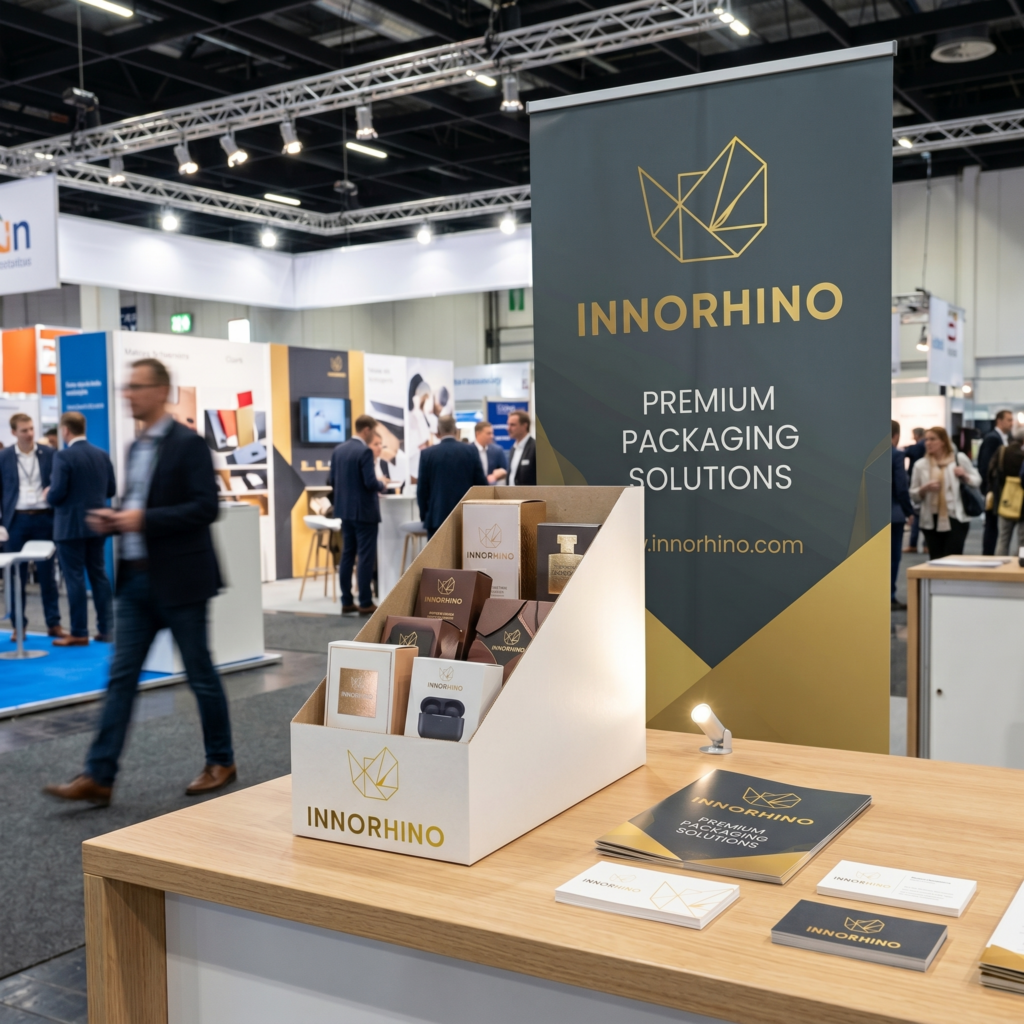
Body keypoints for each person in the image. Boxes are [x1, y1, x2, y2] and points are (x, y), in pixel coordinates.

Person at [44, 358, 234, 806]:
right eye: (127, 386)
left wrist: (141, 519)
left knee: (200, 674)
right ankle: (99, 776)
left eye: (137, 386)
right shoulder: (135, 447)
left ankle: (221, 760)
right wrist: (116, 520)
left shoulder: (189, 444)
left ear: (161, 391)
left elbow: (206, 508)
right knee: (121, 677)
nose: (128, 394)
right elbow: (138, 504)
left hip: (181, 580)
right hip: (135, 583)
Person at [46, 412, 116, 647]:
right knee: (99, 576)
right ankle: (106, 629)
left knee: (74, 578)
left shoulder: (63, 456)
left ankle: (79, 632)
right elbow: (111, 490)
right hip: (97, 524)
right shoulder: (102, 455)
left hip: (69, 527)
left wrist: (48, 494)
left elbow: (57, 494)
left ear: (65, 430)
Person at [0, 413, 65, 640]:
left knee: (47, 575)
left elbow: (59, 484)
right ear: (13, 432)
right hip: (16, 521)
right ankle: (19, 625)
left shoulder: (49, 454)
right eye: (24, 430)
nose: (29, 434)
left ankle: (53, 623)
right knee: (15, 576)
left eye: (31, 429)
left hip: (44, 519)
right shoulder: (4, 457)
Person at [328, 414, 386, 615]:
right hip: (364, 513)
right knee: (365, 557)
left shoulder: (338, 450)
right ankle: (365, 602)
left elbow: (331, 480)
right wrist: (382, 484)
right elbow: (370, 483)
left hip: (344, 511)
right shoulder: (364, 451)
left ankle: (346, 601)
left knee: (347, 555)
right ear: (367, 430)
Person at [909, 425, 982, 559]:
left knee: (954, 558)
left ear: (943, 441)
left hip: (956, 517)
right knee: (935, 559)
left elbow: (977, 480)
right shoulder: (921, 465)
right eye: (926, 440)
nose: (928, 443)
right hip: (930, 519)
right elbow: (914, 495)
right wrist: (925, 488)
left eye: (932, 439)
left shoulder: (958, 459)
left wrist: (964, 475)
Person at [417, 415, 487, 538]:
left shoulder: (427, 454)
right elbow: (481, 485)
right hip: (466, 517)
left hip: (437, 518)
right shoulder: (471, 451)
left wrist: (425, 516)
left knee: (437, 551)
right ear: (455, 430)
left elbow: (422, 490)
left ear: (438, 431)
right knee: (465, 550)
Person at [978, 409, 1013, 556]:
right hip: (993, 489)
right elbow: (985, 466)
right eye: (1009, 420)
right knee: (992, 526)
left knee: (997, 527)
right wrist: (989, 489)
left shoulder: (1006, 438)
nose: (1011, 423)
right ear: (999, 420)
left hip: (1000, 490)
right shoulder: (992, 438)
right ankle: (988, 556)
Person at [890, 420, 914, 610]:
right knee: (893, 557)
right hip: (892, 513)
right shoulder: (896, 455)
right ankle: (889, 595)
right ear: (896, 436)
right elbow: (901, 487)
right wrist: (909, 511)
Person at [993, 425, 1024, 556]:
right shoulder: (1022, 455)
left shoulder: (1003, 451)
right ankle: (1019, 565)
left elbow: (991, 472)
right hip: (1022, 502)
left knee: (1003, 538)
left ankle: (999, 565)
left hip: (1005, 497)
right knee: (1022, 540)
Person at [902, 427, 926, 553]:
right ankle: (923, 544)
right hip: (922, 483)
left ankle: (914, 544)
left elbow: (906, 452)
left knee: (918, 514)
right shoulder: (922, 447)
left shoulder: (918, 447)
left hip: (918, 483)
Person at [507, 410, 536, 486]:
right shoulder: (513, 449)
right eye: (508, 424)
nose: (508, 428)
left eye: (512, 425)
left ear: (524, 426)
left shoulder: (535, 448)